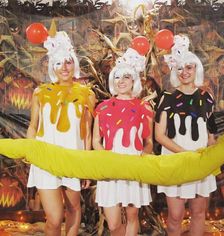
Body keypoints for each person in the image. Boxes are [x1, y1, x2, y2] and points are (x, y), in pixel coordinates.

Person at [27, 31, 95, 236]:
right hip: (46, 160)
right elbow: (32, 126)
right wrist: (33, 152)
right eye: (59, 63)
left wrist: (86, 167)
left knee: (74, 208)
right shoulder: (40, 93)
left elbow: (88, 135)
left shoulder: (87, 94)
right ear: (52, 67)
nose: (64, 67)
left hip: (73, 160)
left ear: (74, 64)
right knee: (55, 219)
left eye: (68, 62)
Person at [155, 34, 217, 236]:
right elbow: (159, 135)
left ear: (196, 68)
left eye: (189, 67)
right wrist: (184, 154)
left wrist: (210, 156)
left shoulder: (207, 97)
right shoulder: (167, 98)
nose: (184, 72)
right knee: (175, 216)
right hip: (176, 162)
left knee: (199, 213)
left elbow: (210, 133)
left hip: (199, 163)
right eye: (179, 68)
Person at [93, 48, 153, 236]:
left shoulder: (144, 107)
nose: (121, 81)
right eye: (118, 77)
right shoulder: (102, 108)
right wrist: (106, 159)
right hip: (110, 168)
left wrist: (144, 155)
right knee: (112, 224)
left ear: (133, 80)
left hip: (133, 166)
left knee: (132, 216)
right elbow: (96, 140)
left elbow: (149, 141)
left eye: (126, 77)